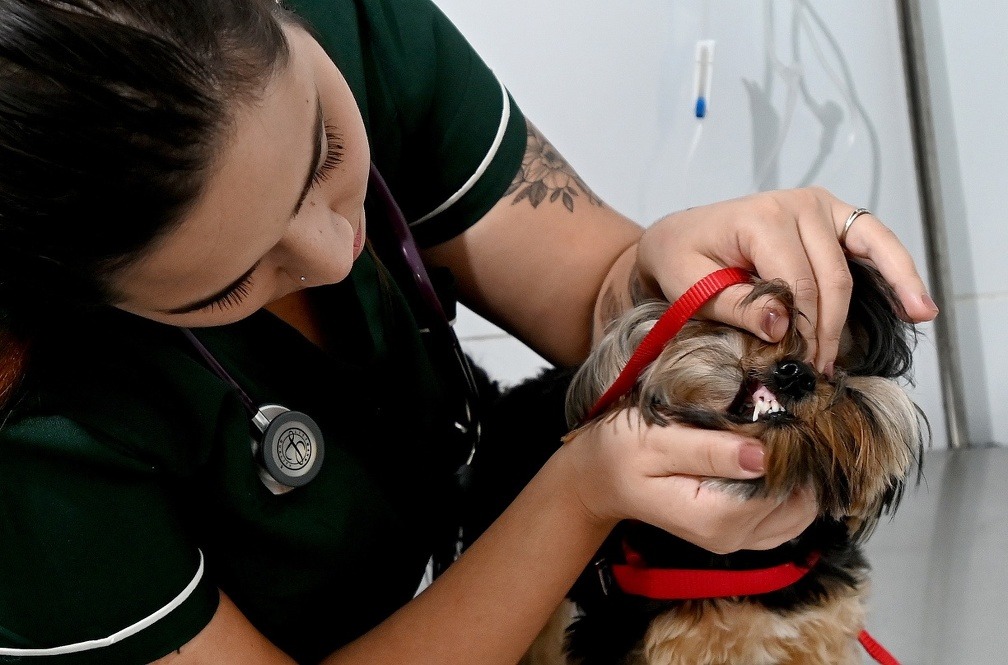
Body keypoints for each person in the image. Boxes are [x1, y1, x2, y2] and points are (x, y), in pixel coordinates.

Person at [0, 0, 938, 663]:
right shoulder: (31, 443)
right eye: (231, 282)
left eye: (327, 150)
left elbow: (599, 295)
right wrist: (577, 497)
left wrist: (662, 264)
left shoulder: (354, 26)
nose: (334, 250)